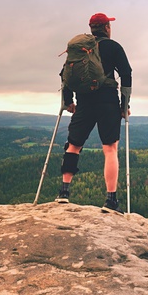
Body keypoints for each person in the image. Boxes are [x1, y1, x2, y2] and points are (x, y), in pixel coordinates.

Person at [56, 12, 132, 214]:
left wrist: (68, 101)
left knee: (73, 145)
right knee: (110, 148)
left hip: (84, 101)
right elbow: (126, 74)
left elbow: (65, 75)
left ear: (91, 28)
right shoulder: (114, 47)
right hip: (107, 101)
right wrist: (125, 105)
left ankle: (64, 192)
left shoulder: (80, 49)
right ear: (107, 27)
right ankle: (111, 200)